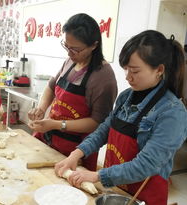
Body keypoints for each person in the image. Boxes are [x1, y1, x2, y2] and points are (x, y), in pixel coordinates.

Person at [55, 30, 187, 205]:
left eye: (135, 71)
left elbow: (146, 164)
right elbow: (104, 130)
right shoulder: (126, 97)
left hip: (144, 197)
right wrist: (76, 154)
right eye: (126, 69)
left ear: (159, 70)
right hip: (115, 190)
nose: (127, 77)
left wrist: (98, 175)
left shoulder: (172, 113)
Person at [28, 13, 117, 171]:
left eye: (75, 49)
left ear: (94, 45)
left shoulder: (103, 77)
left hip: (76, 150)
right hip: (49, 138)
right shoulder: (70, 61)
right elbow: (51, 86)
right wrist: (41, 109)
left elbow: (97, 122)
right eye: (66, 46)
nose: (69, 53)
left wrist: (56, 124)